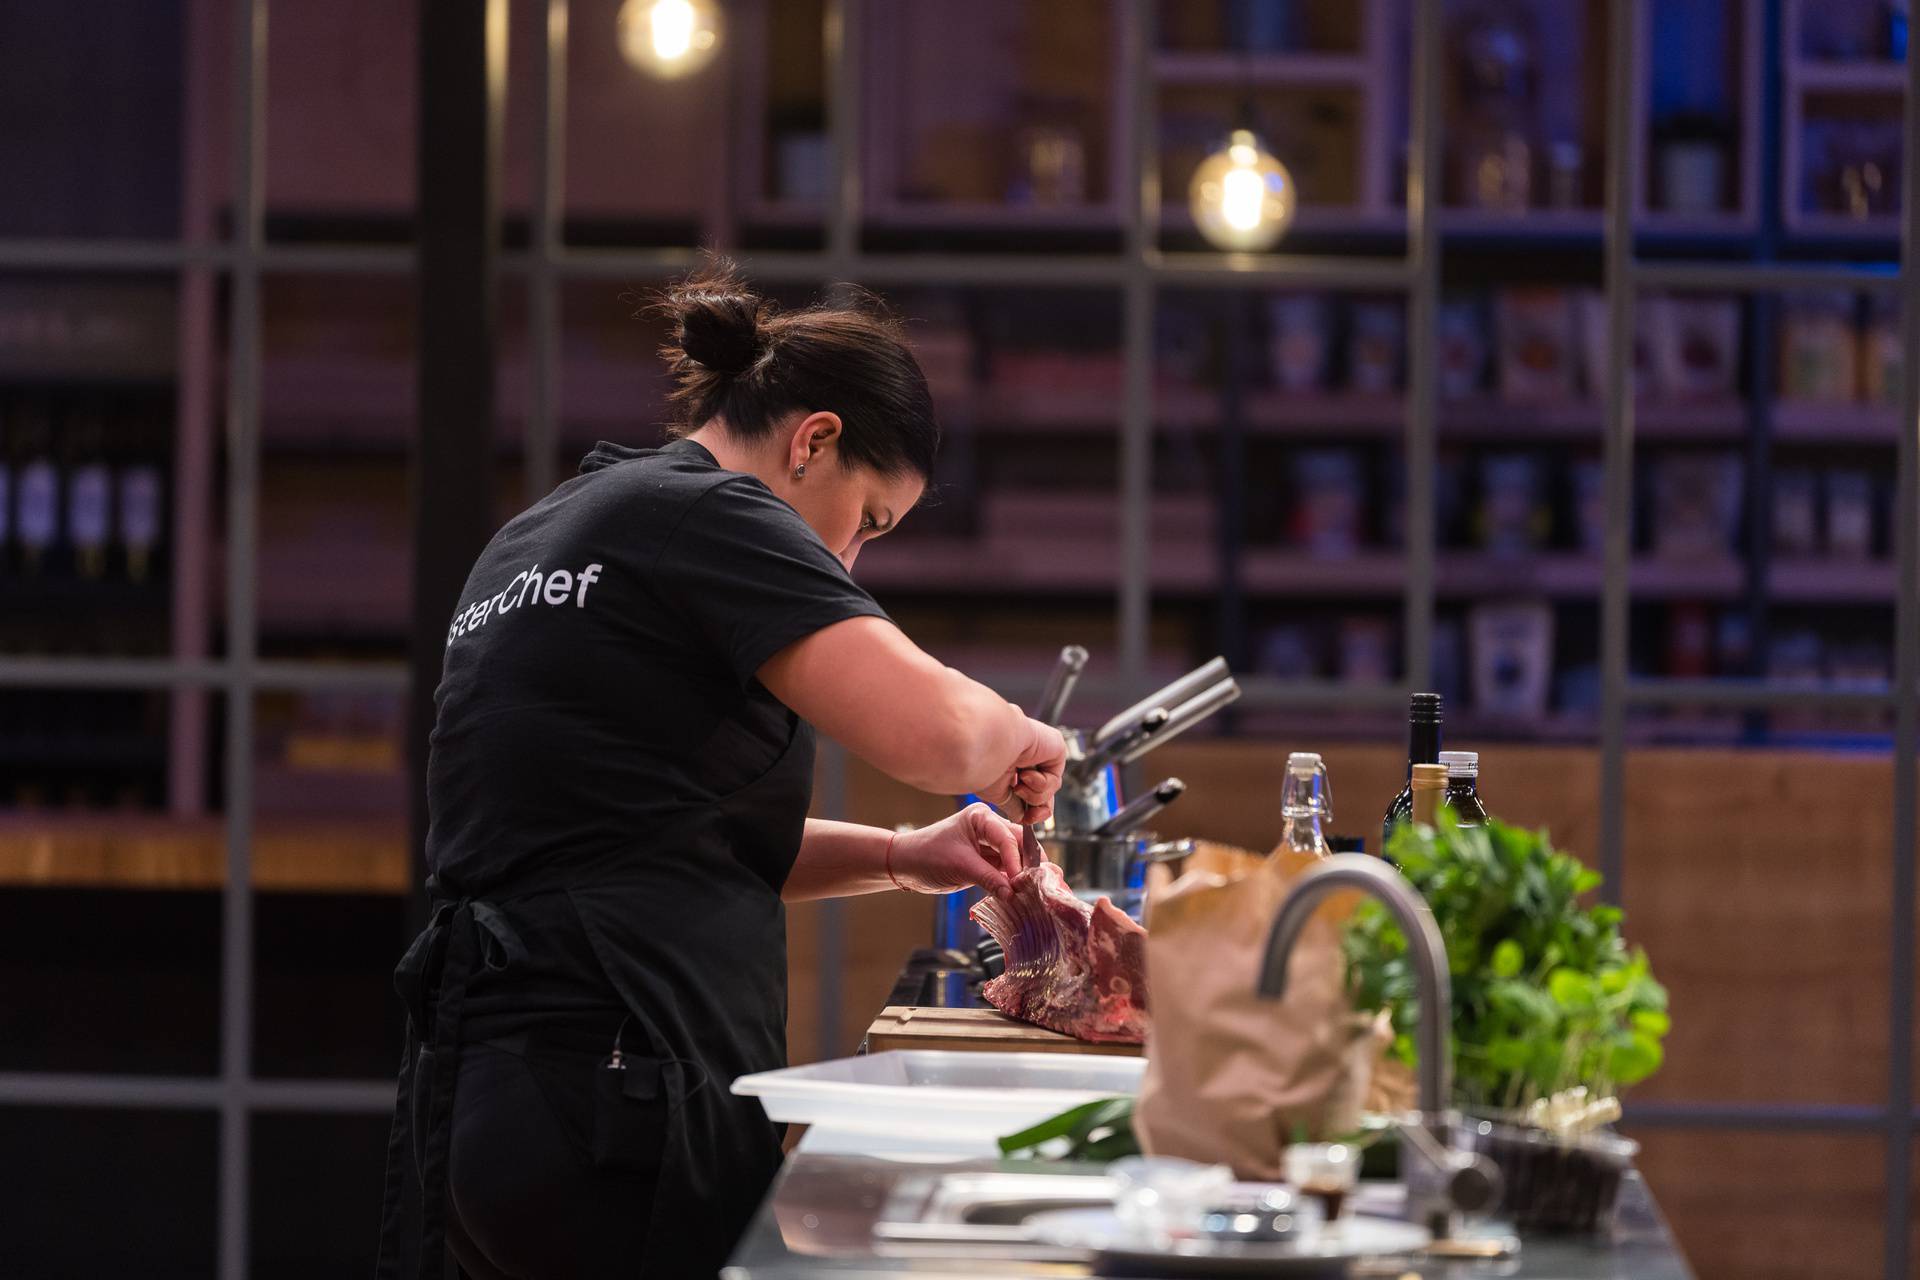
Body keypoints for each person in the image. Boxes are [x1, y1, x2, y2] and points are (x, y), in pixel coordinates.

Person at [375, 263, 1066, 1280]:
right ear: (815, 439)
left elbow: (648, 843)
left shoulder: (544, 530)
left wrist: (903, 854)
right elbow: (939, 739)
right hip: (615, 1096)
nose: (850, 561)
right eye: (868, 521)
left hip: (493, 1099)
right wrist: (1028, 735)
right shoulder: (707, 515)